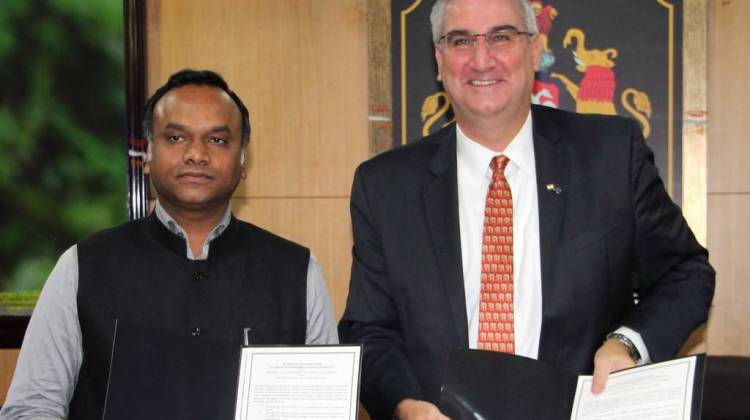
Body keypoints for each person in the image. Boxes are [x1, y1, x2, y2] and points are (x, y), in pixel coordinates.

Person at [337, 0, 715, 419]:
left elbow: (687, 274)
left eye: (501, 36)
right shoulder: (386, 186)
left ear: (534, 51)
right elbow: (368, 330)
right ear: (439, 60)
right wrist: (405, 406)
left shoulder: (610, 155)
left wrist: (628, 343)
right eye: (461, 41)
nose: (482, 60)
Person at [1, 69, 338, 419]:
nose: (196, 154)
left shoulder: (297, 273)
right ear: (146, 155)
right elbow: (32, 407)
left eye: (218, 140)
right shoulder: (83, 267)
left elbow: (326, 410)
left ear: (243, 161)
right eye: (176, 138)